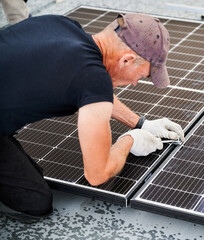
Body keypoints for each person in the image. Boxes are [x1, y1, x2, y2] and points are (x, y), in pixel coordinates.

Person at [0, 13, 185, 221]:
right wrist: (129, 140)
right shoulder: (91, 79)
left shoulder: (65, 26)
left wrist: (142, 123)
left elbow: (91, 89)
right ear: (127, 59)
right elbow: (97, 174)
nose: (135, 83)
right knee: (36, 201)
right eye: (141, 76)